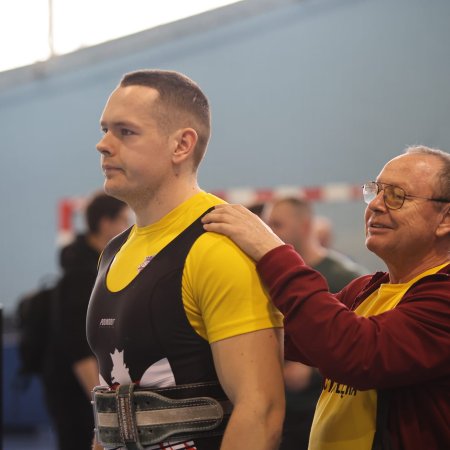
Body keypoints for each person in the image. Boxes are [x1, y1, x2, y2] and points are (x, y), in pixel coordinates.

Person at [202, 145, 450, 450]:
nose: (376, 206)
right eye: (375, 191)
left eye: (397, 195)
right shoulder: (364, 291)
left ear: (446, 218)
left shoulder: (444, 297)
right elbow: (291, 334)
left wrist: (273, 252)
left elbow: (356, 353)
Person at [86, 69, 285, 450]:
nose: (103, 145)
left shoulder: (218, 245)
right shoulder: (113, 252)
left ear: (181, 145)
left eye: (125, 131)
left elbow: (261, 410)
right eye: (104, 129)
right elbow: (111, 402)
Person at [266, 196, 367, 450]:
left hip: (321, 412)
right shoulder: (268, 278)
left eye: (278, 224)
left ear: (304, 225)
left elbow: (363, 344)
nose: (270, 233)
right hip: (282, 412)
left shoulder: (346, 277)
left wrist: (311, 371)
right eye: (268, 225)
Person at [42, 191, 130, 450]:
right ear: (106, 224)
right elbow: (77, 346)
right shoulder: (81, 275)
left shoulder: (102, 265)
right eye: (123, 220)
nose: (127, 227)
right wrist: (102, 405)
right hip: (74, 390)